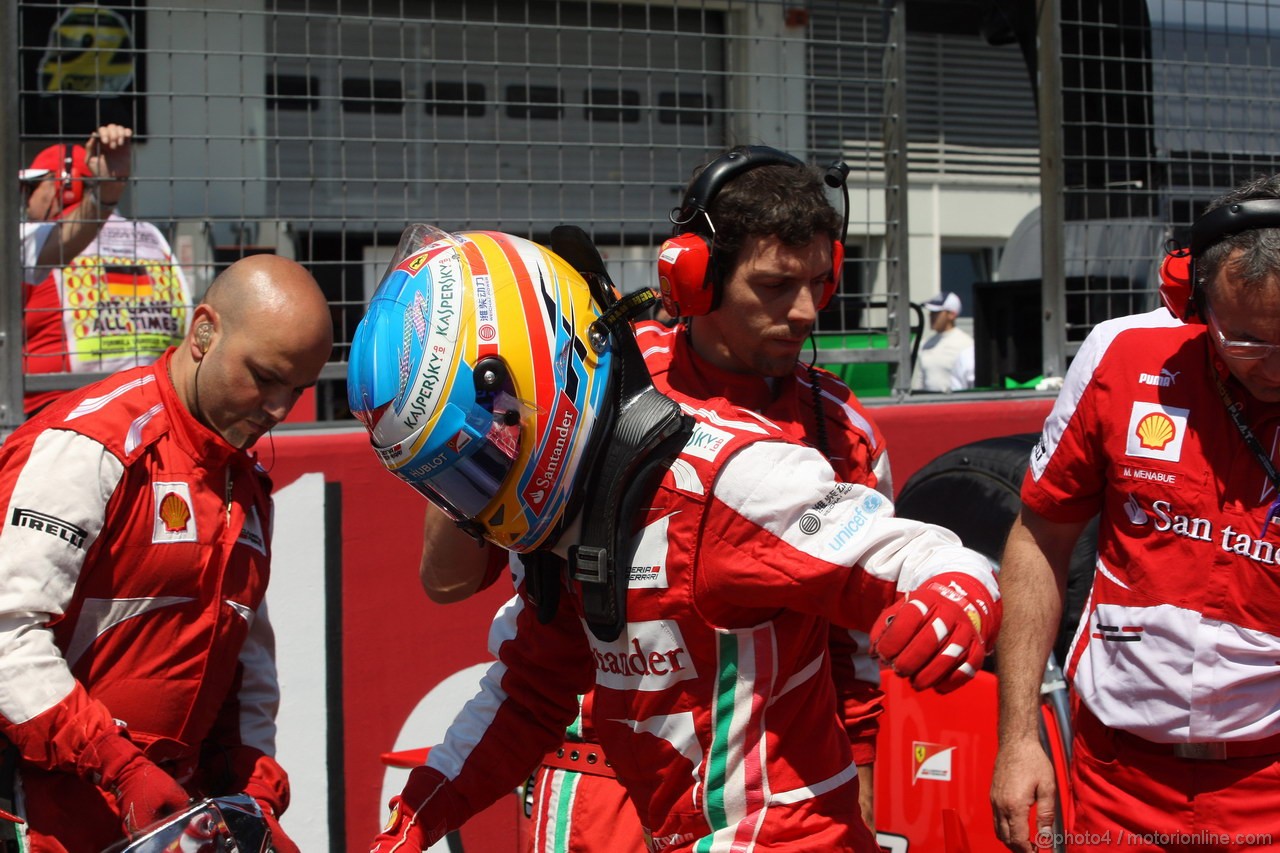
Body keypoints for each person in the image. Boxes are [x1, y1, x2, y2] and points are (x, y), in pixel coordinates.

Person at [349, 225, 1001, 852]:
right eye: (453, 481)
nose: (479, 501)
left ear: (549, 370)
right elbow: (533, 690)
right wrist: (414, 818)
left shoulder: (725, 479)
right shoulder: (575, 508)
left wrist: (956, 591)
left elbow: (916, 553)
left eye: (484, 454)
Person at [416, 147, 894, 850]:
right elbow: (446, 578)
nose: (802, 312)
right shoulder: (587, 380)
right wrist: (482, 438)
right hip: (591, 784)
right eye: (774, 284)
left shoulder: (844, 430)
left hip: (762, 807)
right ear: (692, 278)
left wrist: (860, 780)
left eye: (820, 283)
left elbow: (856, 649)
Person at [0, 254, 333, 852]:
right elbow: (6, 634)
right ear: (204, 331)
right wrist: (118, 764)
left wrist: (251, 792)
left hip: (157, 823)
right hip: (37, 810)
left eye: (298, 389)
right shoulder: (90, 445)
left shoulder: (247, 482)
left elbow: (244, 654)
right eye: (264, 377)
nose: (279, 409)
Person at [990, 173, 1280, 853]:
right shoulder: (1123, 355)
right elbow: (1038, 537)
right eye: (1245, 340)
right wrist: (1018, 738)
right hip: (1115, 781)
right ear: (1192, 299)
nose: (1273, 368)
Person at [20, 125, 193, 417]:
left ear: (64, 184)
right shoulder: (151, 235)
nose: (25, 200)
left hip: (54, 404)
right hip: (152, 400)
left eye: (31, 187)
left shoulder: (43, 241)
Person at [911, 291, 974, 392]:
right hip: (927, 405)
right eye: (931, 312)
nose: (931, 315)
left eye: (936, 312)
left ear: (952, 315)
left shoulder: (967, 344)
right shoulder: (925, 343)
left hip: (954, 404)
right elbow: (921, 379)